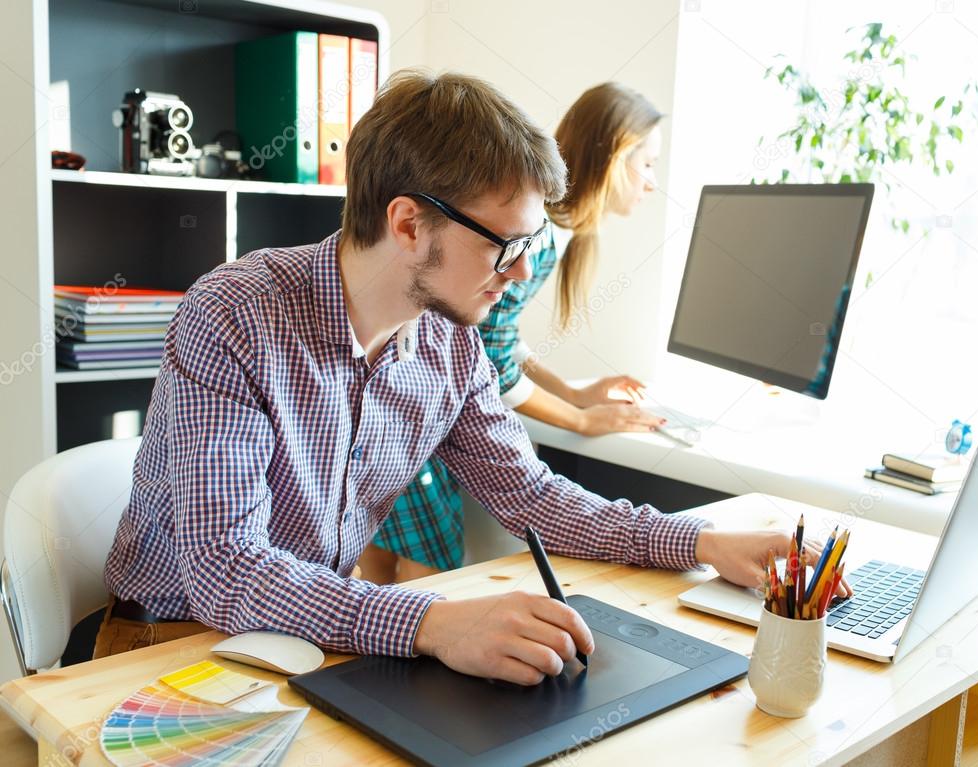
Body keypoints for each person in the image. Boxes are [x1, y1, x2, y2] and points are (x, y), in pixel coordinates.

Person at [97, 69, 846, 684]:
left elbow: (533, 497)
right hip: (170, 647)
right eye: (505, 243)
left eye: (533, 242)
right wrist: (428, 619)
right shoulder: (234, 315)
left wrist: (705, 541)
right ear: (408, 224)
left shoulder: (451, 347)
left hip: (306, 637)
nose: (523, 270)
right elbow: (228, 572)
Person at [362, 83, 670, 584]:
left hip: (408, 395)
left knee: (379, 560)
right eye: (649, 163)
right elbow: (495, 362)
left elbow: (499, 340)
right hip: (423, 410)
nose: (653, 182)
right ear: (615, 155)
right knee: (430, 565)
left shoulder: (544, 236)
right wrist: (580, 420)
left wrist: (569, 390)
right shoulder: (538, 238)